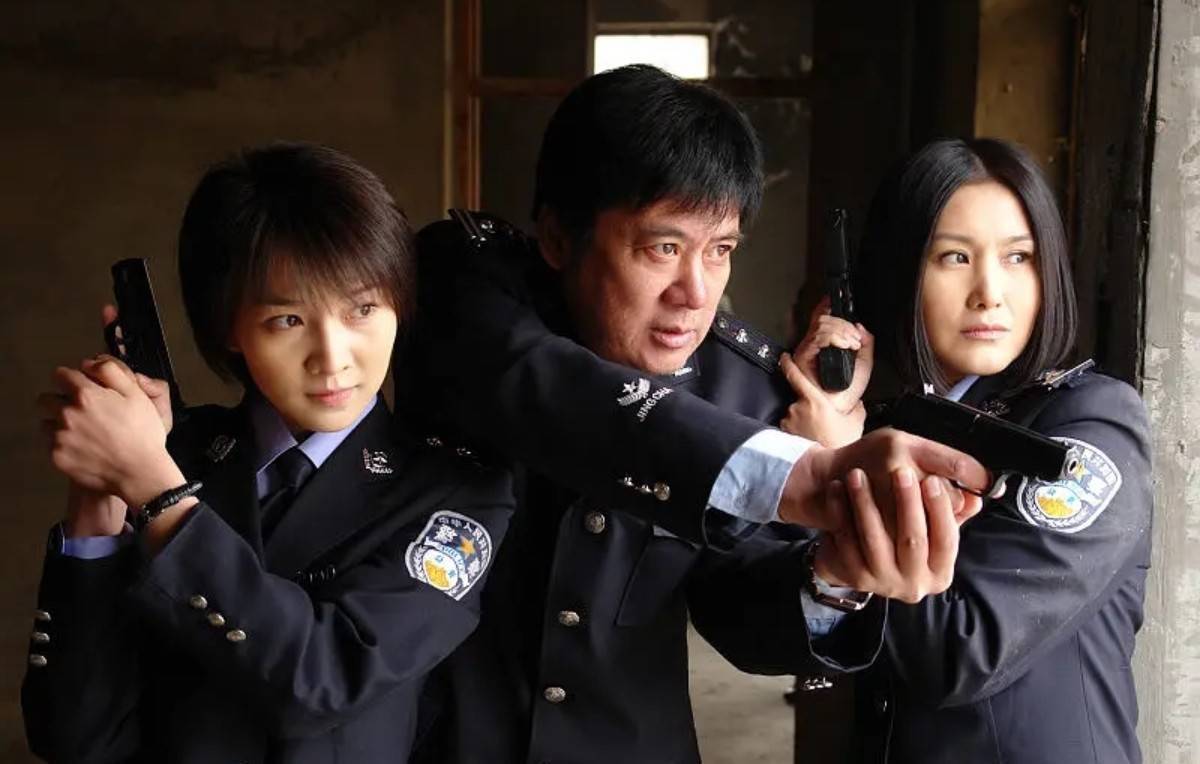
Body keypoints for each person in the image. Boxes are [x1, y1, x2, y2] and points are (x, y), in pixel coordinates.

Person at [403, 64, 990, 764]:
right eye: (664, 248)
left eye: (720, 251)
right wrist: (805, 474)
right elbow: (546, 387)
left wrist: (837, 574)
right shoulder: (462, 284)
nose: (696, 292)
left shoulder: (739, 386)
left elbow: (737, 615)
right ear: (557, 238)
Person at [23, 142, 513, 762]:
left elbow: (325, 680)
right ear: (229, 326)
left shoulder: (454, 494)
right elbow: (72, 738)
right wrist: (100, 496)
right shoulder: (174, 452)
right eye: (288, 320)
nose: (332, 357)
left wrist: (157, 494)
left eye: (362, 309)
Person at [782, 138, 1152, 763]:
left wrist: (840, 470)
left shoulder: (1093, 424)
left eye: (1018, 258)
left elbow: (963, 651)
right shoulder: (879, 421)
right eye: (955, 257)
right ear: (899, 273)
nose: (989, 292)